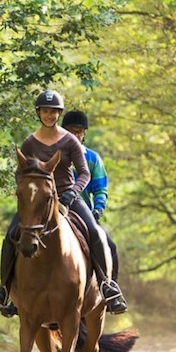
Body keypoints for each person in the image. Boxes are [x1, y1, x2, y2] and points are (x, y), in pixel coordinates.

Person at [0, 89, 127, 316]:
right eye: (45, 111)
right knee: (12, 234)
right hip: (39, 202)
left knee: (94, 232)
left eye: (54, 112)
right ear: (39, 113)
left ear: (58, 113)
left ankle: (107, 286)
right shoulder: (30, 142)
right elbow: (20, 172)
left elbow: (85, 173)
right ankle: (4, 287)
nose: (49, 116)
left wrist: (73, 192)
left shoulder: (70, 140)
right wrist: (27, 191)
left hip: (67, 197)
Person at [62, 109, 125, 313]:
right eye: (71, 130)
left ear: (84, 133)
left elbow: (100, 188)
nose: (75, 134)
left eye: (79, 131)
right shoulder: (54, 153)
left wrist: (98, 209)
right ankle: (12, 291)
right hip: (54, 207)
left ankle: (109, 288)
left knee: (109, 244)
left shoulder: (92, 158)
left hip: (82, 209)